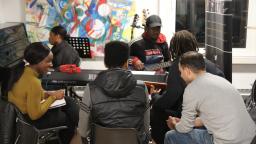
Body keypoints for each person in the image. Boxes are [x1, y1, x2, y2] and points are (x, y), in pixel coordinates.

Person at [150, 30, 224, 144]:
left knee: (157, 109)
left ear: (174, 48)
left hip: (197, 117)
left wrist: (154, 97)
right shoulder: (208, 63)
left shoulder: (180, 64)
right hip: (217, 120)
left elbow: (170, 99)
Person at [164, 51, 256, 144]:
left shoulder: (192, 89)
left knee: (171, 136)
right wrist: (185, 122)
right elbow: (213, 117)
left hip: (228, 141)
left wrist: (175, 125)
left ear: (187, 71)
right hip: (250, 137)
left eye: (181, 72)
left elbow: (184, 129)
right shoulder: (219, 80)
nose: (181, 76)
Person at [78, 41, 150, 144]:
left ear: (105, 62)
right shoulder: (142, 88)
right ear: (126, 62)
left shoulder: (91, 88)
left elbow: (83, 132)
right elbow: (146, 129)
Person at [7, 42, 79, 144]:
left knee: (69, 101)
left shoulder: (22, 70)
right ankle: (76, 133)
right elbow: (34, 115)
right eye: (48, 61)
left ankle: (80, 127)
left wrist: (46, 94)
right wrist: (53, 97)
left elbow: (28, 95)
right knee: (68, 117)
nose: (52, 64)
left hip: (19, 116)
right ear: (37, 61)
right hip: (29, 121)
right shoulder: (33, 82)